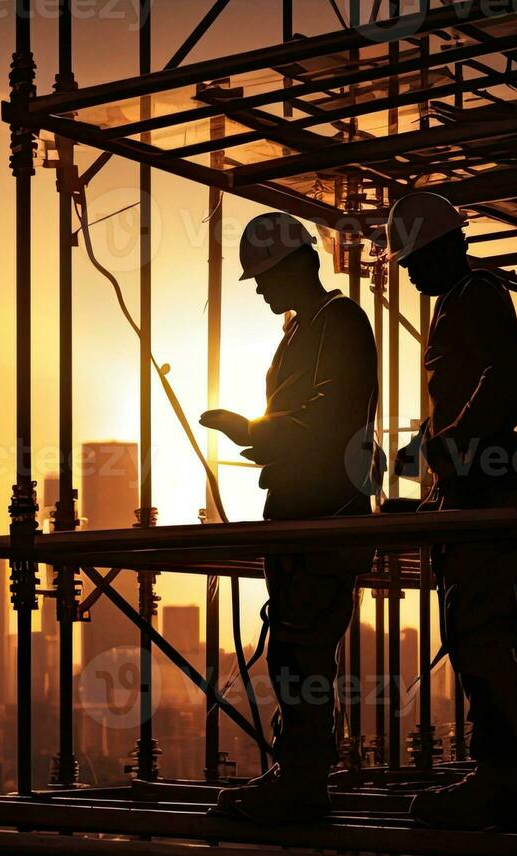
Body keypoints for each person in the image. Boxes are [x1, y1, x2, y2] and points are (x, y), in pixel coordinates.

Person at [199, 212, 379, 823]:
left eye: (264, 275)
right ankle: (298, 769)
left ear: (297, 264)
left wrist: (254, 431)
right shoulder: (304, 329)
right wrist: (259, 438)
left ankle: (304, 777)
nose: (259, 288)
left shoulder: (340, 323)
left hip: (325, 510)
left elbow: (331, 421)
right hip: (300, 508)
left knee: (303, 645)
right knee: (292, 649)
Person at [387, 191, 517, 829]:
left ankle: (506, 778)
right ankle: (506, 773)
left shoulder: (475, 295)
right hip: (472, 488)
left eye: (412, 258)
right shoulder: (459, 302)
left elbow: (506, 390)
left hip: (484, 492)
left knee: (480, 633)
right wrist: (427, 450)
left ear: (441, 247)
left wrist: (446, 448)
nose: (404, 271)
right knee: (475, 631)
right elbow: (475, 398)